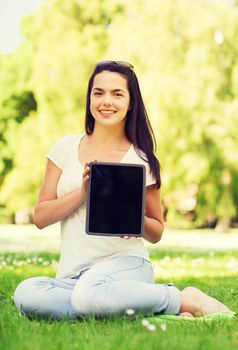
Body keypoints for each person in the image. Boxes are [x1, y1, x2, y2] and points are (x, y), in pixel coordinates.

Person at [14, 60, 230, 320]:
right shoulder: (64, 148)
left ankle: (180, 298)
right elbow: (40, 217)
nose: (107, 101)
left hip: (126, 265)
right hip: (73, 276)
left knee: (87, 296)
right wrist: (83, 193)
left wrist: (132, 217)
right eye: (99, 93)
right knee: (27, 293)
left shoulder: (141, 158)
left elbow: (157, 231)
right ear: (89, 98)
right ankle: (122, 306)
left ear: (130, 102)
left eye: (117, 94)